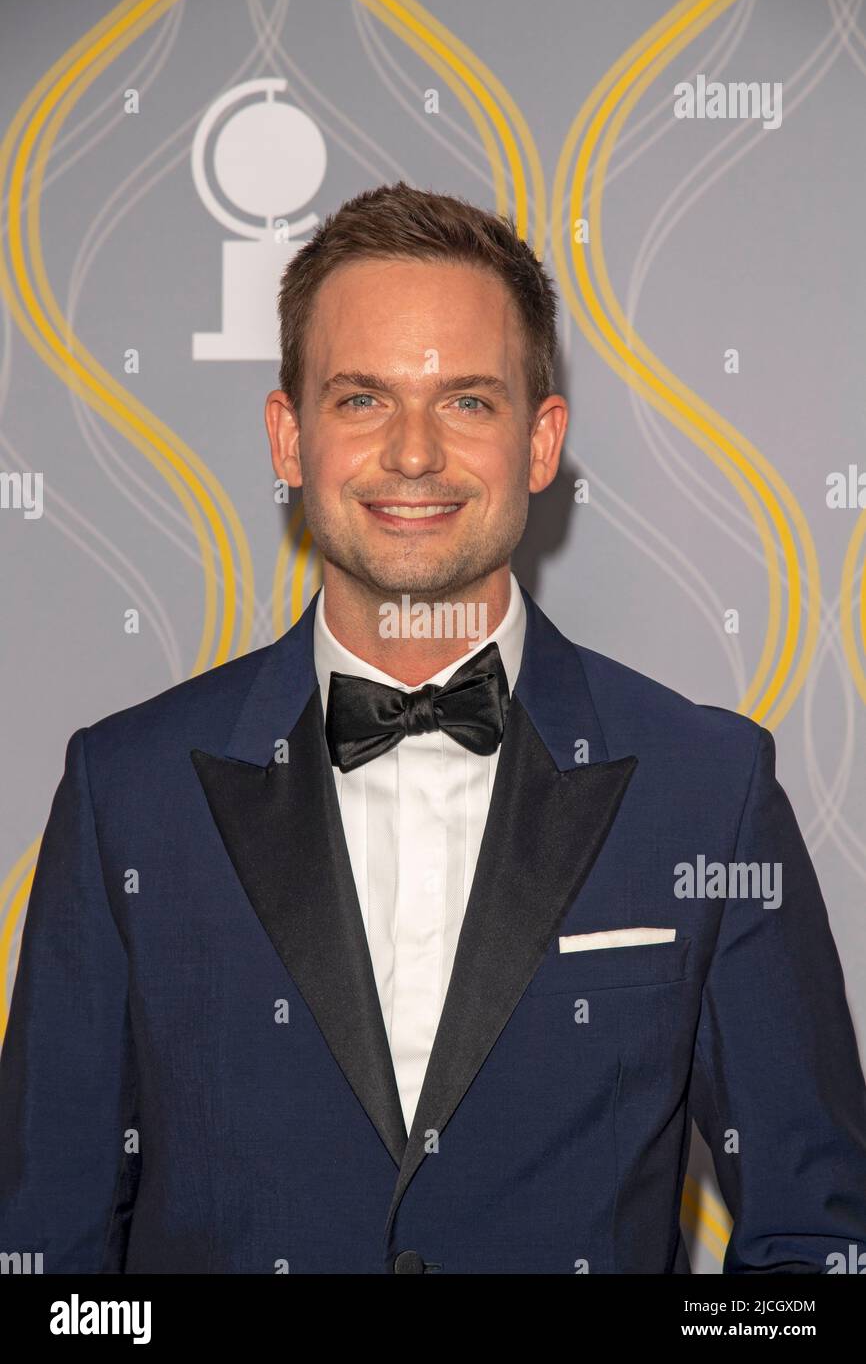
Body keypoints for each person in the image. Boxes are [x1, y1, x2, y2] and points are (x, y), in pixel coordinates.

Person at [1, 181, 865, 1275]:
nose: (412, 454)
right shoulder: (126, 794)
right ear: (288, 435)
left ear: (541, 441)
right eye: (361, 399)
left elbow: (819, 1240)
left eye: (466, 401)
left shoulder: (707, 789)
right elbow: (43, 1254)